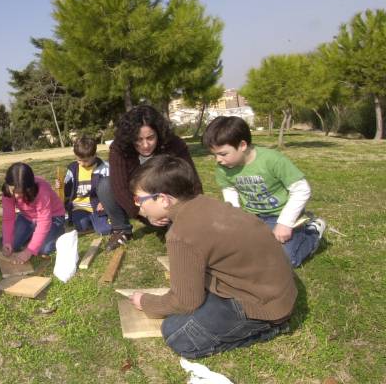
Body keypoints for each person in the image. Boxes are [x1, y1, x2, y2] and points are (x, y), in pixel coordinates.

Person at [128, 155, 297, 359]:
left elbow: (185, 302)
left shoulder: (181, 234)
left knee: (176, 334)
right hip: (275, 289)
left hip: (264, 305)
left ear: (163, 199)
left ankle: (270, 329)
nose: (139, 207)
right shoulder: (204, 203)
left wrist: (146, 302)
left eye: (139, 199)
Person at [202, 116, 326, 267]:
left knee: (285, 260)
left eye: (222, 154)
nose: (218, 160)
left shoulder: (272, 160)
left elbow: (302, 189)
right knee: (239, 253)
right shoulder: (223, 168)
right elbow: (230, 191)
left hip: (282, 215)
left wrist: (285, 223)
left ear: (242, 145)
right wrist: (236, 219)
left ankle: (313, 233)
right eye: (214, 155)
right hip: (253, 217)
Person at [99, 105, 202, 249]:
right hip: (140, 204)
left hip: (168, 203)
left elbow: (192, 181)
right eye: (138, 140)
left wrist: (187, 212)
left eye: (150, 138)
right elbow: (119, 187)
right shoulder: (119, 148)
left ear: (159, 133)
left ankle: (172, 225)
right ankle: (121, 229)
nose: (145, 145)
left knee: (181, 237)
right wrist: (145, 214)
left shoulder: (174, 144)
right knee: (105, 185)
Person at [1, 162, 66, 264]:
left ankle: (58, 231)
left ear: (29, 188)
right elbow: (8, 218)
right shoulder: (7, 192)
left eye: (21, 192)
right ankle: (34, 236)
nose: (17, 196)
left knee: (44, 249)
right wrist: (7, 242)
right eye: (14, 191)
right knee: (12, 244)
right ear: (8, 184)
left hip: (53, 217)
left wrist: (29, 251)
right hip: (27, 218)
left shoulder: (42, 189)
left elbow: (44, 222)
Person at [61, 136, 111, 235]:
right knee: (82, 227)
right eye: (79, 160)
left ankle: (99, 221)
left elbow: (111, 187)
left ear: (95, 155)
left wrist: (104, 202)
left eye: (86, 161)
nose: (82, 164)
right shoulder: (72, 168)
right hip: (79, 207)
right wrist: (60, 185)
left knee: (104, 230)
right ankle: (90, 222)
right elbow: (66, 188)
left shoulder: (104, 168)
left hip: (97, 206)